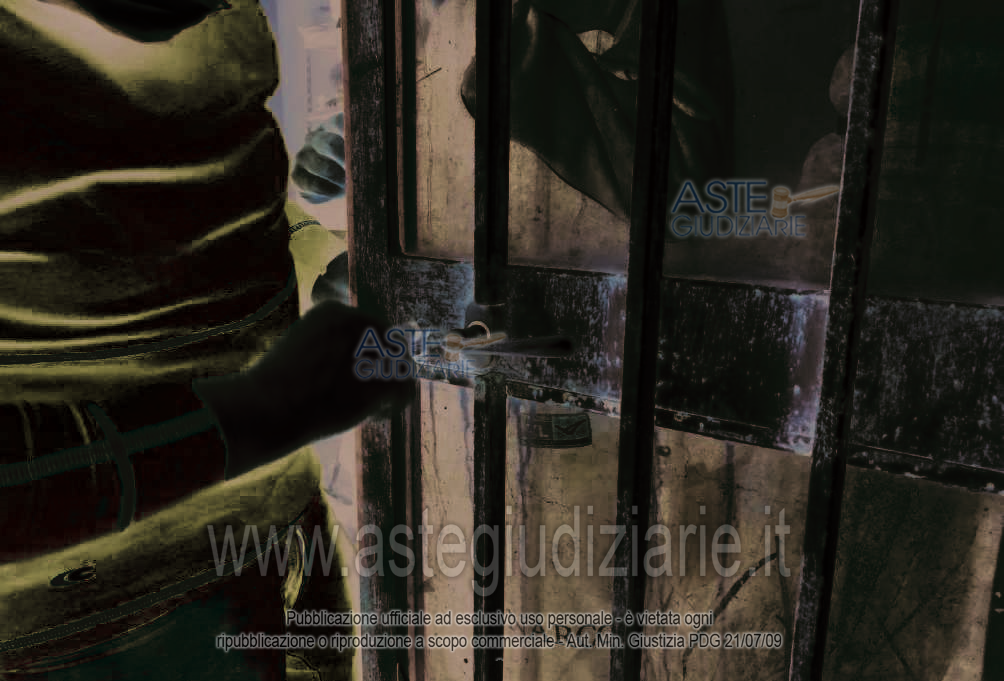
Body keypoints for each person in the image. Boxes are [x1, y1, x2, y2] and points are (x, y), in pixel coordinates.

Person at [0, 1, 411, 679]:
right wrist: (270, 406)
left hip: (283, 548)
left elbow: (171, 209)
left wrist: (313, 273)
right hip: (105, 632)